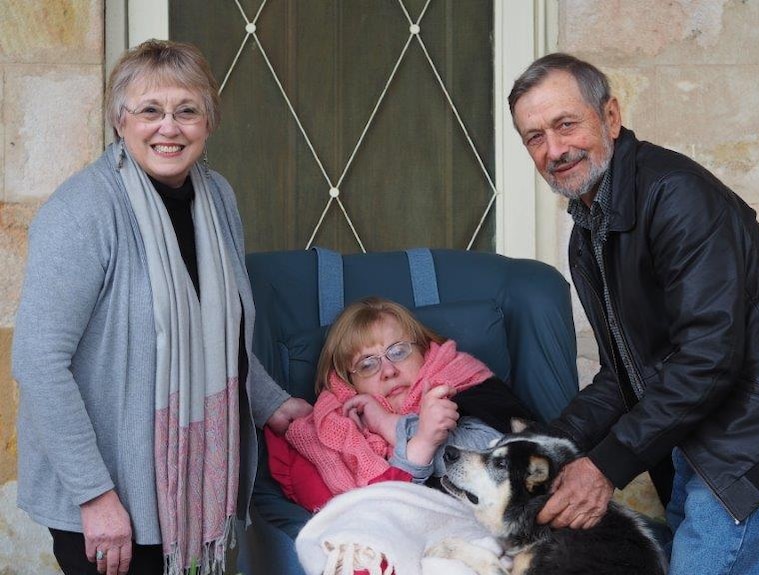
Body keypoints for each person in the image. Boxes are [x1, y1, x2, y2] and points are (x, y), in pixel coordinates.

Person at [508, 52, 759, 574]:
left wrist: (604, 467)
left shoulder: (676, 196)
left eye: (566, 124)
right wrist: (546, 443)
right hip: (699, 439)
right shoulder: (589, 230)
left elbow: (709, 357)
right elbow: (623, 376)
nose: (554, 149)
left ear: (612, 117)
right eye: (534, 137)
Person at [12, 40, 312, 575]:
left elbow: (217, 329)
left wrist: (270, 402)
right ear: (120, 121)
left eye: (186, 111)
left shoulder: (217, 196)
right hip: (110, 501)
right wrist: (94, 494)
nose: (168, 128)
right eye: (150, 110)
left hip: (199, 494)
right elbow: (38, 362)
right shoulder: (82, 212)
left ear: (209, 122)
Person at [265, 297, 532, 512]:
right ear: (348, 383)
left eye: (398, 351)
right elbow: (377, 517)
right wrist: (421, 441)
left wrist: (394, 426)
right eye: (367, 364)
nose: (388, 371)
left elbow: (511, 461)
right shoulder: (330, 437)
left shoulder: (457, 383)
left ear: (424, 351)